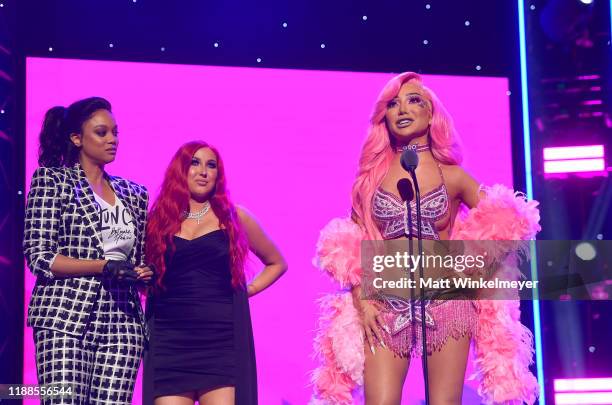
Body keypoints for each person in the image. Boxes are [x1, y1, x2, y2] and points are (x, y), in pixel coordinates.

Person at [310, 72, 540, 405]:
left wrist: (467, 265)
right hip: (385, 305)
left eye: (414, 100)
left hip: (447, 303)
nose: (402, 109)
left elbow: (506, 222)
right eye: (392, 104)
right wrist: (362, 300)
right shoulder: (368, 181)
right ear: (384, 118)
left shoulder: (453, 176)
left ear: (432, 113)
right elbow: (348, 247)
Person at [23, 96, 154, 404]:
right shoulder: (52, 181)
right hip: (64, 319)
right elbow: (40, 256)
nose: (112, 140)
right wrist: (101, 266)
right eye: (102, 132)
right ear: (76, 138)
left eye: (115, 132)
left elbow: (142, 259)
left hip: (121, 323)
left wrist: (145, 273)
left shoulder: (134, 194)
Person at [144, 141, 287, 405]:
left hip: (220, 344)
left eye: (211, 165)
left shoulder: (234, 217)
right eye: (194, 163)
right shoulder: (157, 220)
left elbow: (277, 262)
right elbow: (147, 276)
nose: (203, 171)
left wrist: (248, 291)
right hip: (170, 342)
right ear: (180, 170)